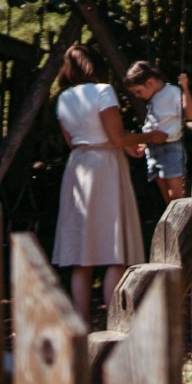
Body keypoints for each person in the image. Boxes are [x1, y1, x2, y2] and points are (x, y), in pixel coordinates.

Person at [51, 45, 146, 322]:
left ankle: (81, 328)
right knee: (115, 250)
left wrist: (124, 146)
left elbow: (74, 140)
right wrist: (149, 137)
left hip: (79, 166)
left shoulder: (63, 98)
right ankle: (115, 321)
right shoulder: (103, 90)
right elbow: (115, 137)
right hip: (105, 166)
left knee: (82, 255)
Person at [123, 61, 192, 203]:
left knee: (176, 196)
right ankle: (173, 221)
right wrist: (145, 141)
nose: (137, 95)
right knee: (166, 197)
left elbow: (189, 115)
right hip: (153, 149)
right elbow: (155, 123)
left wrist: (185, 89)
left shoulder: (172, 92)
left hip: (170, 148)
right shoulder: (154, 97)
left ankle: (186, 221)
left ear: (150, 83)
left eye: (138, 91)